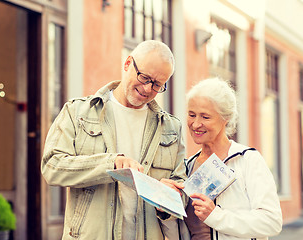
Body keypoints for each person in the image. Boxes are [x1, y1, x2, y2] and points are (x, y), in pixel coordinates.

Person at [41, 40, 187, 240]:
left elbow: (181, 189)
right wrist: (110, 164)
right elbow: (51, 167)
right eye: (144, 77)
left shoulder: (171, 128)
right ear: (127, 63)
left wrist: (170, 199)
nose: (147, 89)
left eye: (157, 85)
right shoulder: (77, 112)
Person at [183, 77, 283, 240]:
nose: (195, 124)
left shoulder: (248, 160)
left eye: (205, 117)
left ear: (225, 118)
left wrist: (216, 216)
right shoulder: (188, 166)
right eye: (192, 115)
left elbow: (272, 221)